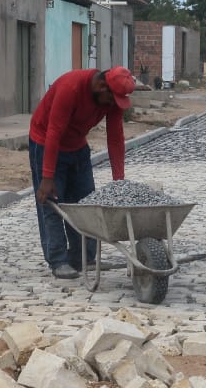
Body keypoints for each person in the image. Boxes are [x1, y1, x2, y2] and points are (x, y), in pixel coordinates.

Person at [29, 66, 137, 279]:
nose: (113, 104)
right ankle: (58, 260)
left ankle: (82, 259)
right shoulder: (71, 88)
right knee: (51, 204)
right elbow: (54, 132)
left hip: (77, 146)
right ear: (100, 86)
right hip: (46, 143)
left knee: (85, 204)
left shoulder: (110, 98)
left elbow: (115, 137)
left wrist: (119, 181)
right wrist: (47, 176)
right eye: (111, 98)